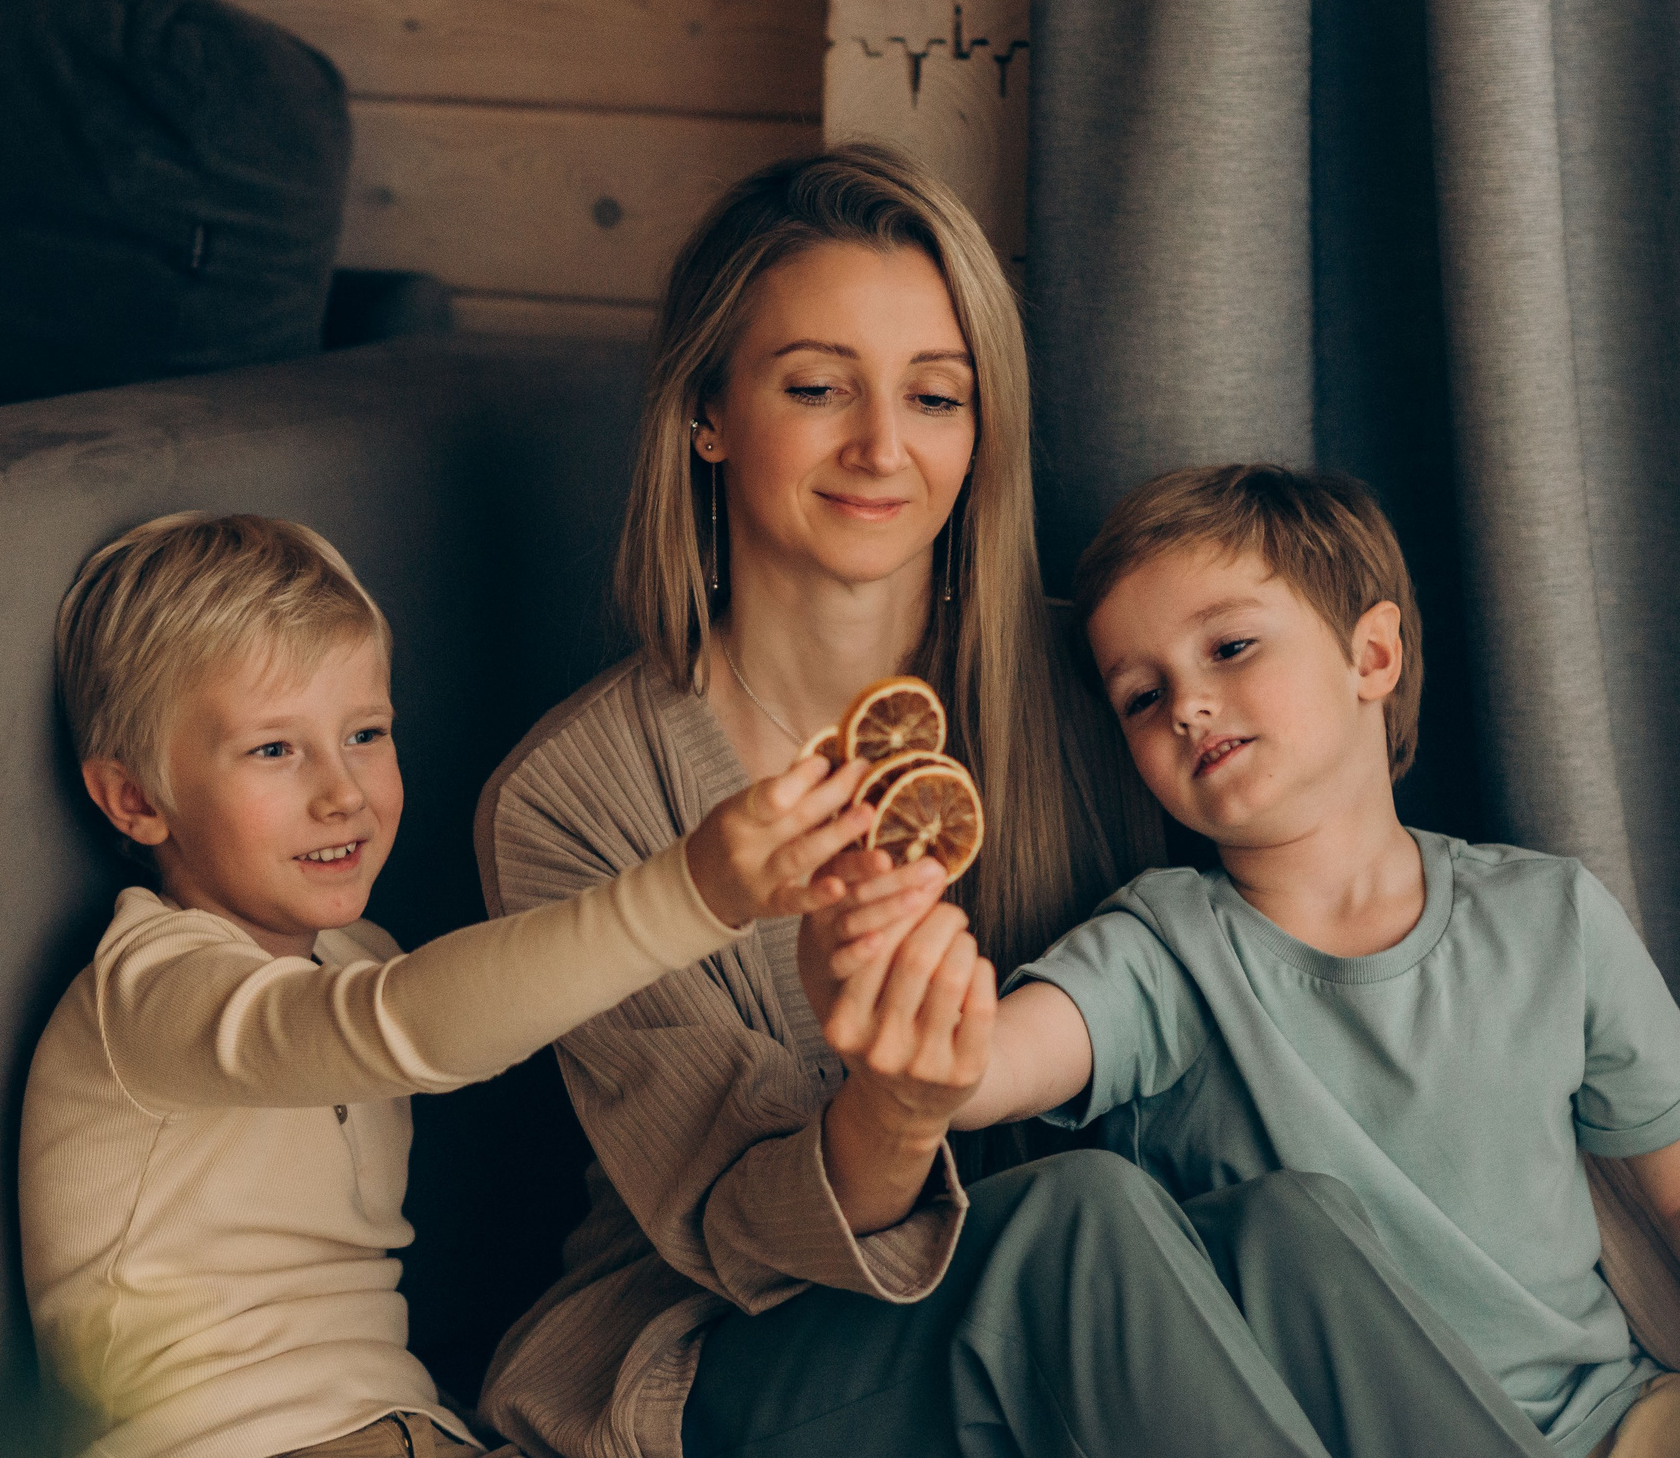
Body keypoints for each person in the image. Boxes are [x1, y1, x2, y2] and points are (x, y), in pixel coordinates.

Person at [477, 143, 1583, 1458]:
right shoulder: (571, 797)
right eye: (819, 386)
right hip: (723, 1351)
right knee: (1084, 1217)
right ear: (708, 412)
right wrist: (894, 1102)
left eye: (935, 396)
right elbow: (741, 1237)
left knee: (1294, 1217)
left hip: (1104, 1299)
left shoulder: (1112, 688)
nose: (883, 446)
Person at [812, 463, 1680, 1458]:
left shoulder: (1548, 918)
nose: (1185, 704)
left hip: (1623, 1428)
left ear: (1373, 657)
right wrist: (903, 1017)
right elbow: (999, 1059)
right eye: (1139, 695)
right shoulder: (1165, 948)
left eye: (1229, 646)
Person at [16, 511, 916, 1458]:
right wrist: (691, 892)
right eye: (274, 749)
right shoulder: (146, 991)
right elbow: (400, 1026)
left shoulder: (357, 955)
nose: (343, 792)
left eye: (365, 732)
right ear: (136, 799)